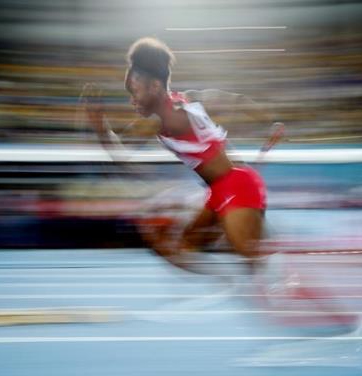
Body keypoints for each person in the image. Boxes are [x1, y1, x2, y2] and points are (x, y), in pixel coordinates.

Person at [82, 37, 284, 274]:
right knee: (182, 247)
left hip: (235, 187)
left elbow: (121, 153)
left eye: (135, 92)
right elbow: (237, 100)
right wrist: (270, 122)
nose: (132, 101)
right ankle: (230, 269)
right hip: (222, 191)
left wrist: (100, 127)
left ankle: (275, 270)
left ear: (155, 87)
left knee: (257, 267)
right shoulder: (189, 97)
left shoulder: (159, 120)